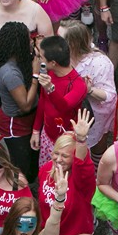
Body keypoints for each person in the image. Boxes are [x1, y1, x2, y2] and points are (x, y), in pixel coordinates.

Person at [0, 21, 39, 182]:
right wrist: (36, 75)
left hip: (28, 120)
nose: (32, 41)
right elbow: (25, 105)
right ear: (19, 44)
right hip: (15, 124)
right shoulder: (10, 72)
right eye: (29, 39)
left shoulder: (23, 59)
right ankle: (18, 197)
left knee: (33, 162)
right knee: (21, 167)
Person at [37, 109, 96, 235]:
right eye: (56, 153)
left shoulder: (81, 180)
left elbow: (82, 165)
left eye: (65, 156)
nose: (58, 159)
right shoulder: (45, 170)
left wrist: (81, 140)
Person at [57, 20, 117, 160]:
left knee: (95, 149)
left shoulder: (100, 63)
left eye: (60, 39)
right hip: (66, 114)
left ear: (72, 44)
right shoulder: (58, 57)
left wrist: (88, 90)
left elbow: (109, 96)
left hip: (94, 117)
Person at [31, 35, 87, 168]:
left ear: (53, 63)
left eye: (41, 58)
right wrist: (35, 130)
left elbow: (63, 106)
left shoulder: (78, 85)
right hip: (47, 135)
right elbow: (43, 102)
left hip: (66, 143)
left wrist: (50, 88)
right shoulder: (50, 74)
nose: (39, 60)